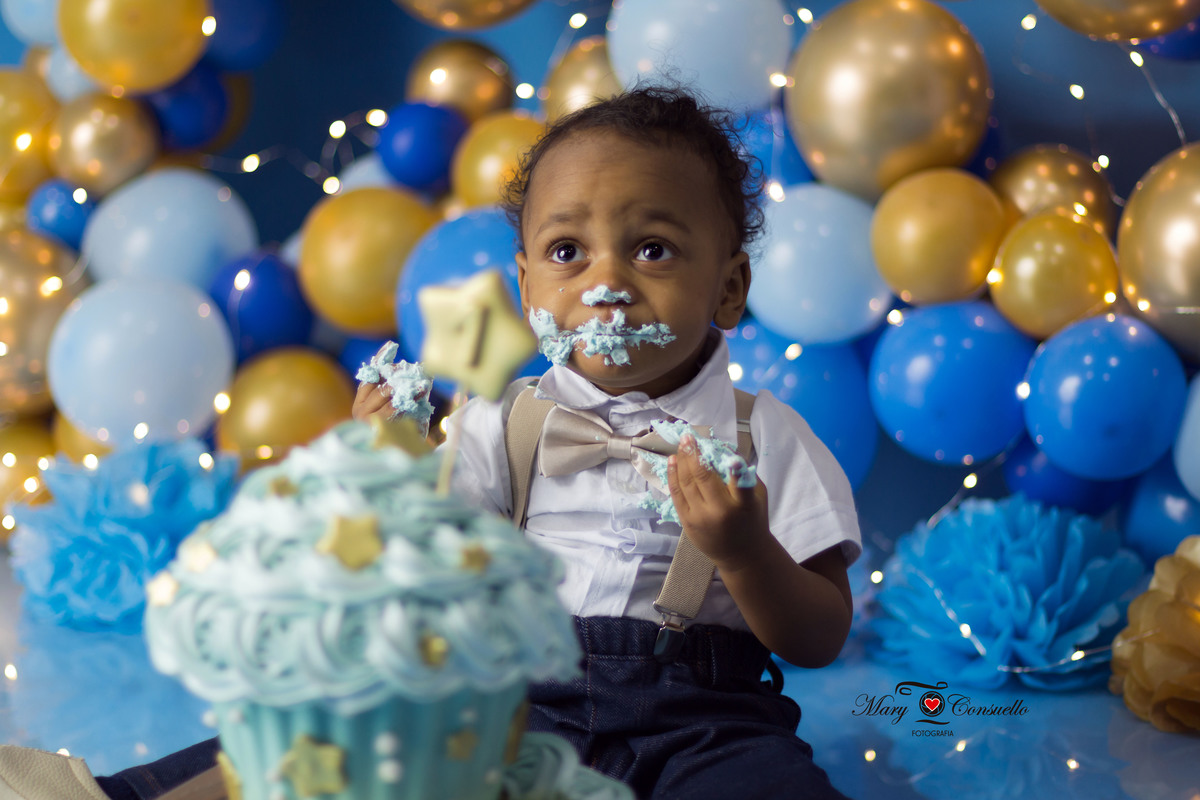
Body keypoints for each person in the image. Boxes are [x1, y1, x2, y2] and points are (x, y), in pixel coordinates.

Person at [356, 85, 861, 799]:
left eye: (652, 249)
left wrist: (747, 554)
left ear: (729, 287)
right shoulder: (501, 423)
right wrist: (383, 471)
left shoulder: (765, 437)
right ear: (527, 287)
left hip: (708, 722)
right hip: (520, 705)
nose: (606, 284)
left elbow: (820, 637)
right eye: (568, 252)